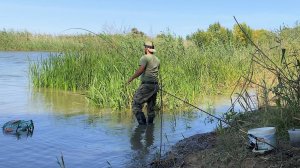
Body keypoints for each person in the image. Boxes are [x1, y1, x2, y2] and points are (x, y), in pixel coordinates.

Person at [127, 41, 160, 125]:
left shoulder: (144, 58)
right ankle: (150, 127)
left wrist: (131, 78)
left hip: (147, 85)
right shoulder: (157, 60)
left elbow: (141, 70)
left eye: (145, 47)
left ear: (147, 48)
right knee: (151, 108)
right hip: (155, 85)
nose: (144, 49)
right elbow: (155, 71)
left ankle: (142, 126)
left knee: (136, 104)